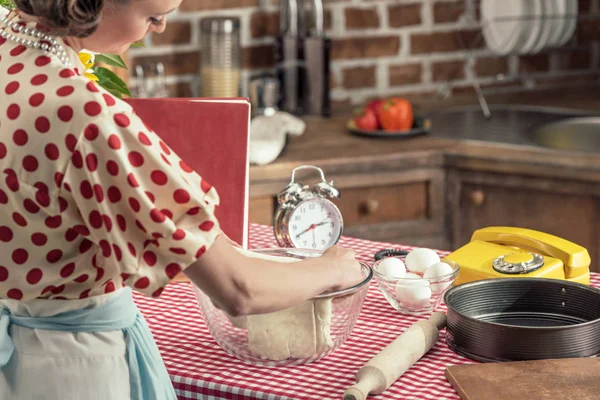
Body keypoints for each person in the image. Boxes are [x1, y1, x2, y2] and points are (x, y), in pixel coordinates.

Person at [0, 1, 364, 399]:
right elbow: (239, 289)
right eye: (153, 17)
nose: (159, 29)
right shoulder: (86, 118)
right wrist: (333, 269)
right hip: (72, 371)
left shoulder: (8, 47)